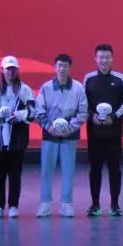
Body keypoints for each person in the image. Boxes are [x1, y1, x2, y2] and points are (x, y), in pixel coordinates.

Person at [34, 54, 88, 218]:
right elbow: (39, 111)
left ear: (70, 68)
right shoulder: (46, 88)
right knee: (46, 170)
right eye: (59, 65)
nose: (62, 69)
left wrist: (69, 128)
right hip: (49, 134)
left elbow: (83, 112)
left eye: (65, 66)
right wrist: (49, 127)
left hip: (69, 135)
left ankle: (66, 204)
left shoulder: (78, 88)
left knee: (68, 171)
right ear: (55, 67)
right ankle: (45, 204)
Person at [0, 56, 36, 218]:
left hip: (17, 140)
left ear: (17, 70)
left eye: (13, 69)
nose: (11, 72)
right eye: (8, 69)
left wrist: (18, 115)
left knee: (15, 176)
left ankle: (13, 206)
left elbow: (32, 112)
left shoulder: (25, 90)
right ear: (2, 70)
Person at [83, 43, 123, 217]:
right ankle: (95, 205)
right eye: (101, 57)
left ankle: (115, 205)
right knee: (95, 169)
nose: (104, 60)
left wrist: (114, 117)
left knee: (114, 169)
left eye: (107, 57)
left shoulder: (120, 78)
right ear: (95, 59)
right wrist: (92, 116)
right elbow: (83, 102)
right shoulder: (88, 78)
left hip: (114, 133)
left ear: (112, 59)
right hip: (94, 133)